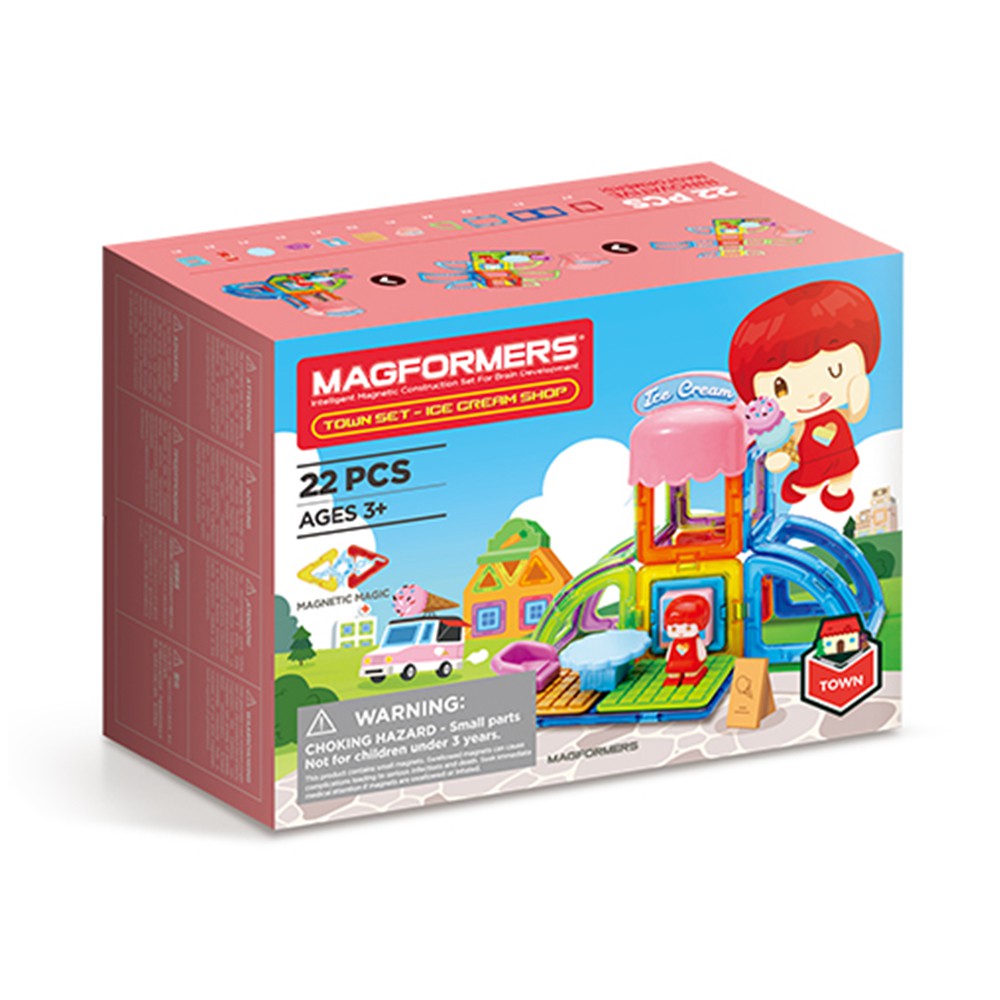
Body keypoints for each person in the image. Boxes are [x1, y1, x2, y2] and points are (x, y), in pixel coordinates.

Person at [728, 280, 881, 512]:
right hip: (813, 464)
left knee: (843, 477)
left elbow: (853, 415)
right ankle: (797, 487)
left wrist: (858, 397)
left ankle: (837, 494)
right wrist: (780, 455)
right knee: (809, 483)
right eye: (781, 387)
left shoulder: (836, 414)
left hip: (842, 457)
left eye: (835, 370)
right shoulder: (800, 426)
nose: (810, 394)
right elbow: (788, 440)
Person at [662, 594, 711, 686]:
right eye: (674, 629)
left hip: (692, 662)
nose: (681, 633)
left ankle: (692, 676)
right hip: (675, 663)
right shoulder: (674, 642)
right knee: (672, 670)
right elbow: (670, 652)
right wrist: (668, 658)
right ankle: (673, 678)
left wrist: (702, 657)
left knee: (691, 670)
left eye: (688, 628)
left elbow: (701, 651)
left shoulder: (695, 641)